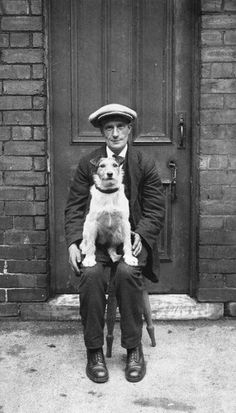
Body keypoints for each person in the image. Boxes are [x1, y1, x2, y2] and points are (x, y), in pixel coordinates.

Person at [65, 103, 165, 383]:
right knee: (92, 274)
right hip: (96, 241)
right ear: (102, 132)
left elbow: (156, 209)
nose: (115, 133)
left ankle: (133, 349)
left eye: (120, 127)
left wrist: (141, 237)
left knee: (126, 273)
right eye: (109, 128)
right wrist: (74, 242)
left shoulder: (144, 163)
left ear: (129, 129)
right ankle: (94, 350)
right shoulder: (90, 163)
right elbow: (74, 207)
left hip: (130, 238)